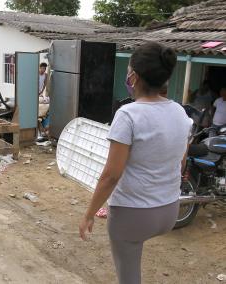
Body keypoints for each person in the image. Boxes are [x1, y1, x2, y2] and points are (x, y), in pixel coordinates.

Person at [79, 42, 192, 284]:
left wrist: (89, 213)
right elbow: (181, 163)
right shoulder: (180, 113)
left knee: (128, 276)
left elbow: (111, 175)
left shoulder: (128, 114)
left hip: (133, 215)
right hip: (169, 211)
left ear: (134, 76)